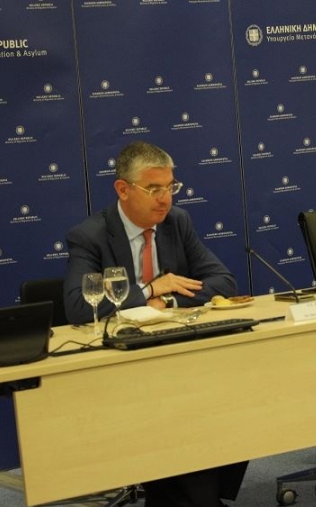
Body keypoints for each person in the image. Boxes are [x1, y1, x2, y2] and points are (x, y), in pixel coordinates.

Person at [63, 141, 246, 506]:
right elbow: (79, 306)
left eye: (170, 187)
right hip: (122, 365)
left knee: (235, 399)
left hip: (178, 353)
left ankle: (198, 496)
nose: (165, 199)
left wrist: (166, 301)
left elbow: (223, 282)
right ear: (123, 189)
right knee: (179, 415)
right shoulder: (90, 235)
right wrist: (148, 289)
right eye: (154, 189)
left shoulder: (177, 222)